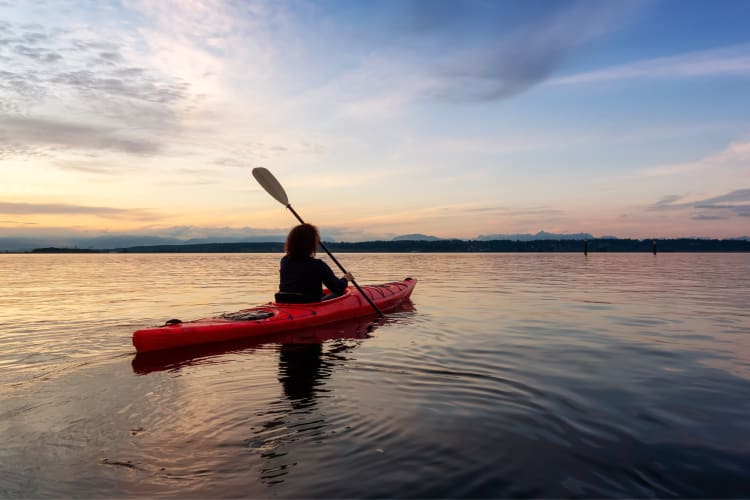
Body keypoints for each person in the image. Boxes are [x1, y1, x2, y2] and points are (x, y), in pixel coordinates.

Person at [276, 223, 353, 303]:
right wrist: (345, 279)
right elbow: (337, 288)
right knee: (341, 293)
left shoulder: (285, 260)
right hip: (309, 304)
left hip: (283, 301)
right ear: (311, 244)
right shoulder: (317, 265)